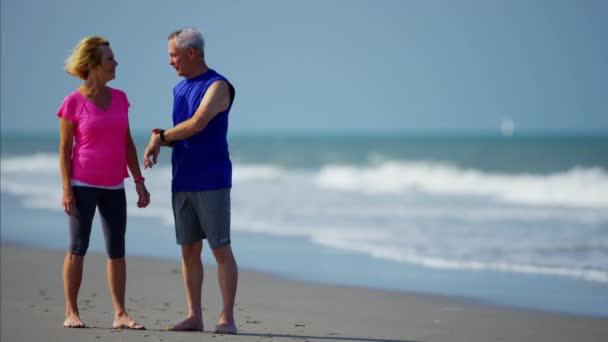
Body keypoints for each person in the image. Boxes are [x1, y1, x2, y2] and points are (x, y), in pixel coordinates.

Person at [143, 27, 238, 335]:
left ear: (191, 53)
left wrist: (162, 137)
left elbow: (197, 123)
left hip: (211, 179)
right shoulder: (178, 89)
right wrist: (161, 140)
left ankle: (227, 318)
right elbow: (182, 133)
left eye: (173, 55)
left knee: (220, 250)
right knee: (188, 250)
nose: (170, 61)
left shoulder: (218, 85)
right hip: (182, 178)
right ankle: (194, 316)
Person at [58, 36, 150, 330]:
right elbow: (64, 149)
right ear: (93, 65)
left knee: (117, 248)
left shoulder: (121, 98)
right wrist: (66, 187)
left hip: (114, 184)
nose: (116, 63)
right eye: (110, 58)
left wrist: (138, 180)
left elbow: (127, 143)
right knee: (78, 246)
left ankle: (120, 313)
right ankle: (71, 311)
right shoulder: (73, 102)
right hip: (82, 182)